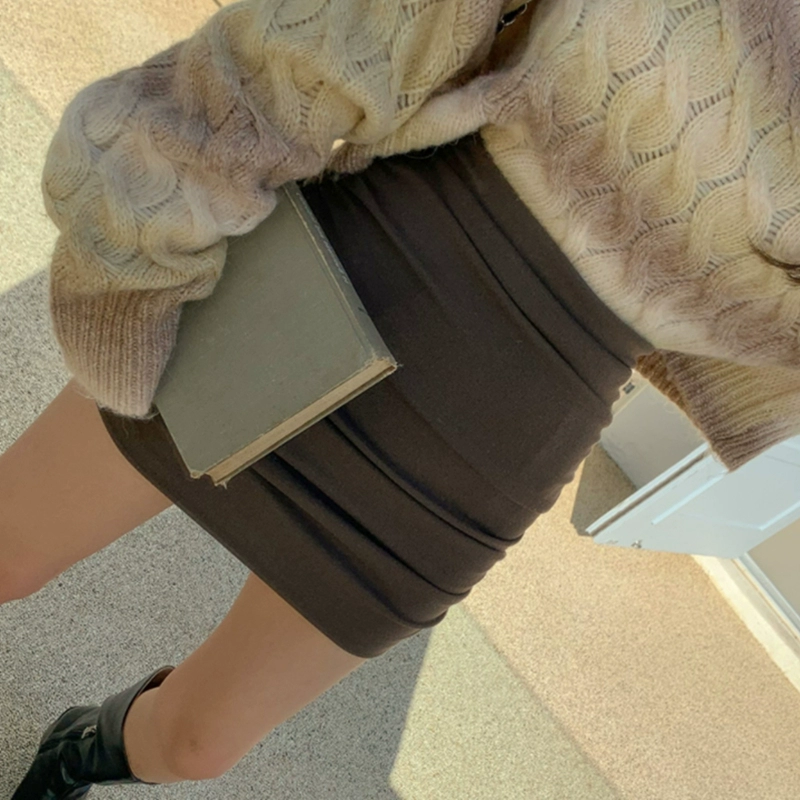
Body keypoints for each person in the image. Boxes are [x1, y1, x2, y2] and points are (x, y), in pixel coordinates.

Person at [6, 0, 800, 796]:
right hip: (349, 267)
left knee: (194, 748)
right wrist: (155, 216)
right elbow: (349, 32)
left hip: (502, 439)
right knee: (9, 553)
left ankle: (80, 748)